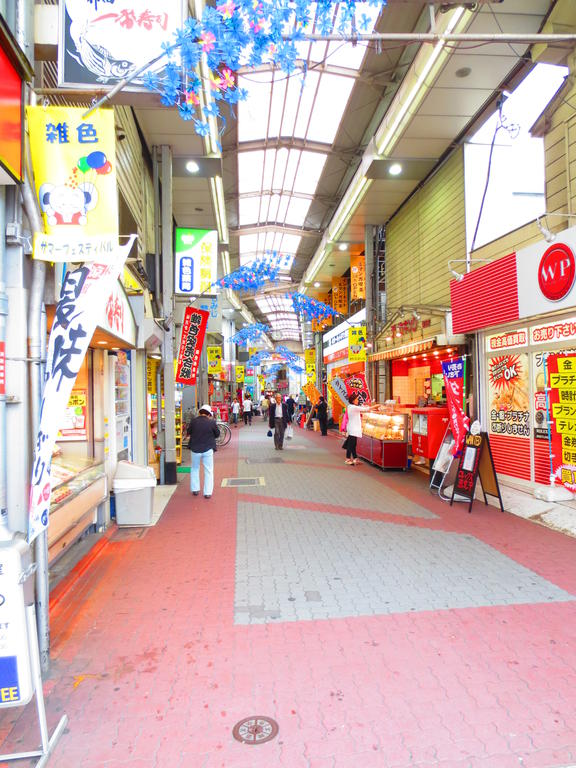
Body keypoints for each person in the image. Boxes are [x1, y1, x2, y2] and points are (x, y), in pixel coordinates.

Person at [187, 404, 220, 498]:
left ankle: (195, 489)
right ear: (209, 414)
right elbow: (217, 434)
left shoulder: (193, 421)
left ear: (200, 412)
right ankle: (207, 493)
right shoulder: (212, 422)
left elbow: (189, 432)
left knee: (194, 468)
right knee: (208, 470)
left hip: (195, 448)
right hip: (208, 448)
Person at [343, 392, 372, 465]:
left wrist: (366, 405)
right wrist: (376, 406)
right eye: (356, 399)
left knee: (353, 444)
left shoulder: (350, 406)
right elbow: (366, 409)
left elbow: (362, 407)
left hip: (352, 428)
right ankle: (347, 459)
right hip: (353, 429)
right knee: (351, 444)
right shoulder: (353, 407)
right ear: (353, 401)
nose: (357, 400)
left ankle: (355, 458)